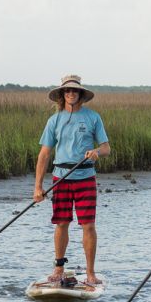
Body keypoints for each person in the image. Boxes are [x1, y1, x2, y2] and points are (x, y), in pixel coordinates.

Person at [33, 75, 111, 285]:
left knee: (88, 225)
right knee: (61, 223)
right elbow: (44, 154)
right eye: (67, 91)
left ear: (80, 95)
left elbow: (106, 147)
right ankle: (59, 268)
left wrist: (96, 152)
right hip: (61, 178)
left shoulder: (93, 117)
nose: (71, 94)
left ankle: (91, 273)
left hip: (85, 176)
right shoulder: (54, 120)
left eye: (74, 91)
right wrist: (38, 187)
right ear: (62, 94)